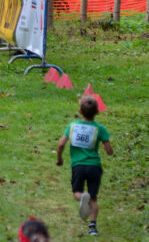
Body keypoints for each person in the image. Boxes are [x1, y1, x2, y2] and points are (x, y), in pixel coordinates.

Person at [56, 95, 114, 237]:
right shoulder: (100, 129)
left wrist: (59, 158)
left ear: (80, 111)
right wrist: (106, 146)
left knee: (77, 192)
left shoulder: (72, 126)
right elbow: (109, 151)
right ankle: (93, 227)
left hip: (78, 166)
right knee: (93, 198)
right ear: (97, 112)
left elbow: (61, 144)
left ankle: (82, 197)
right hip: (94, 167)